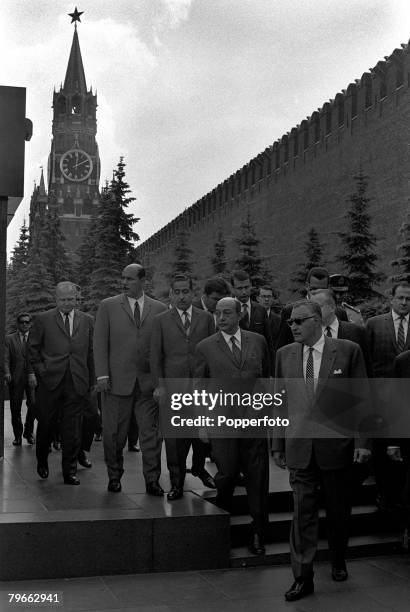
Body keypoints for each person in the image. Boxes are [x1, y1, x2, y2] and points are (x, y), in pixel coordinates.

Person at [273, 300, 370, 601]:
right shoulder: (284, 355)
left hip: (337, 447)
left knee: (338, 510)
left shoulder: (347, 350)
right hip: (300, 446)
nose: (294, 326)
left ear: (316, 320)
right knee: (302, 512)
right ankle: (303, 577)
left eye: (300, 321)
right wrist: (277, 443)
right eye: (290, 322)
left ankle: (338, 558)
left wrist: (362, 443)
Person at [195, 297, 270, 556]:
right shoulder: (205, 347)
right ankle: (221, 527)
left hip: (255, 421)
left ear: (240, 315)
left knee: (258, 478)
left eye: (227, 313)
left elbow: (267, 378)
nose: (221, 318)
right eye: (217, 313)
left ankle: (259, 533)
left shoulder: (257, 341)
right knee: (226, 475)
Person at [94, 263, 167, 494]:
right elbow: (99, 343)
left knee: (151, 435)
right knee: (113, 434)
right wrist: (102, 374)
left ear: (142, 281)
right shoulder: (108, 306)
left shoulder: (159, 308)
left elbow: (163, 348)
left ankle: (152, 480)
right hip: (116, 382)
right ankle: (114, 476)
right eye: (122, 278)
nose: (124, 283)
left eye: (129, 279)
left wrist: (161, 382)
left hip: (147, 384)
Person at [151, 274, 216, 500]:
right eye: (176, 292)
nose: (181, 296)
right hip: (173, 389)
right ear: (171, 294)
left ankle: (199, 469)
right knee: (175, 439)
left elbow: (212, 352)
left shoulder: (206, 318)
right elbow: (156, 356)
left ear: (192, 293)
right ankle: (176, 482)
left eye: (185, 291)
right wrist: (159, 386)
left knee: (201, 435)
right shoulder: (161, 320)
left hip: (200, 388)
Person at [28, 282, 95, 485]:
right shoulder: (43, 320)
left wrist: (92, 380)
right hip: (50, 382)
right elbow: (32, 350)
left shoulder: (88, 320)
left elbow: (91, 352)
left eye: (71, 299)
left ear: (77, 298)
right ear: (56, 299)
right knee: (46, 424)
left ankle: (69, 471)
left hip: (76, 381)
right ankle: (42, 461)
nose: (67, 303)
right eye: (63, 299)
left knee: (72, 428)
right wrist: (42, 371)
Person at [366, 282, 410, 509]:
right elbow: (367, 362)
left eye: (408, 299)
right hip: (381, 402)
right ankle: (384, 496)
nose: (404, 303)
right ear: (391, 299)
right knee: (383, 454)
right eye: (400, 298)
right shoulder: (374, 325)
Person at [310, 289, 372, 375]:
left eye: (318, 307)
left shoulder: (356, 332)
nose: (312, 312)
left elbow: (366, 367)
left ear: (332, 307)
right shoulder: (309, 333)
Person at [4, 312, 36, 446]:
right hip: (15, 378)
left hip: (32, 377)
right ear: (18, 324)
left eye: (27, 322)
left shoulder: (35, 338)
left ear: (30, 324)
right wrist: (7, 372)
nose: (24, 324)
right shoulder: (9, 339)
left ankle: (28, 433)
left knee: (33, 405)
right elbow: (5, 358)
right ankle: (17, 436)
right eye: (22, 322)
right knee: (15, 407)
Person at [230, 270, 271, 343]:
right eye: (240, 288)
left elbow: (267, 340)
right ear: (233, 289)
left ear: (251, 286)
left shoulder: (261, 310)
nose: (244, 292)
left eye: (246, 287)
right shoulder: (228, 310)